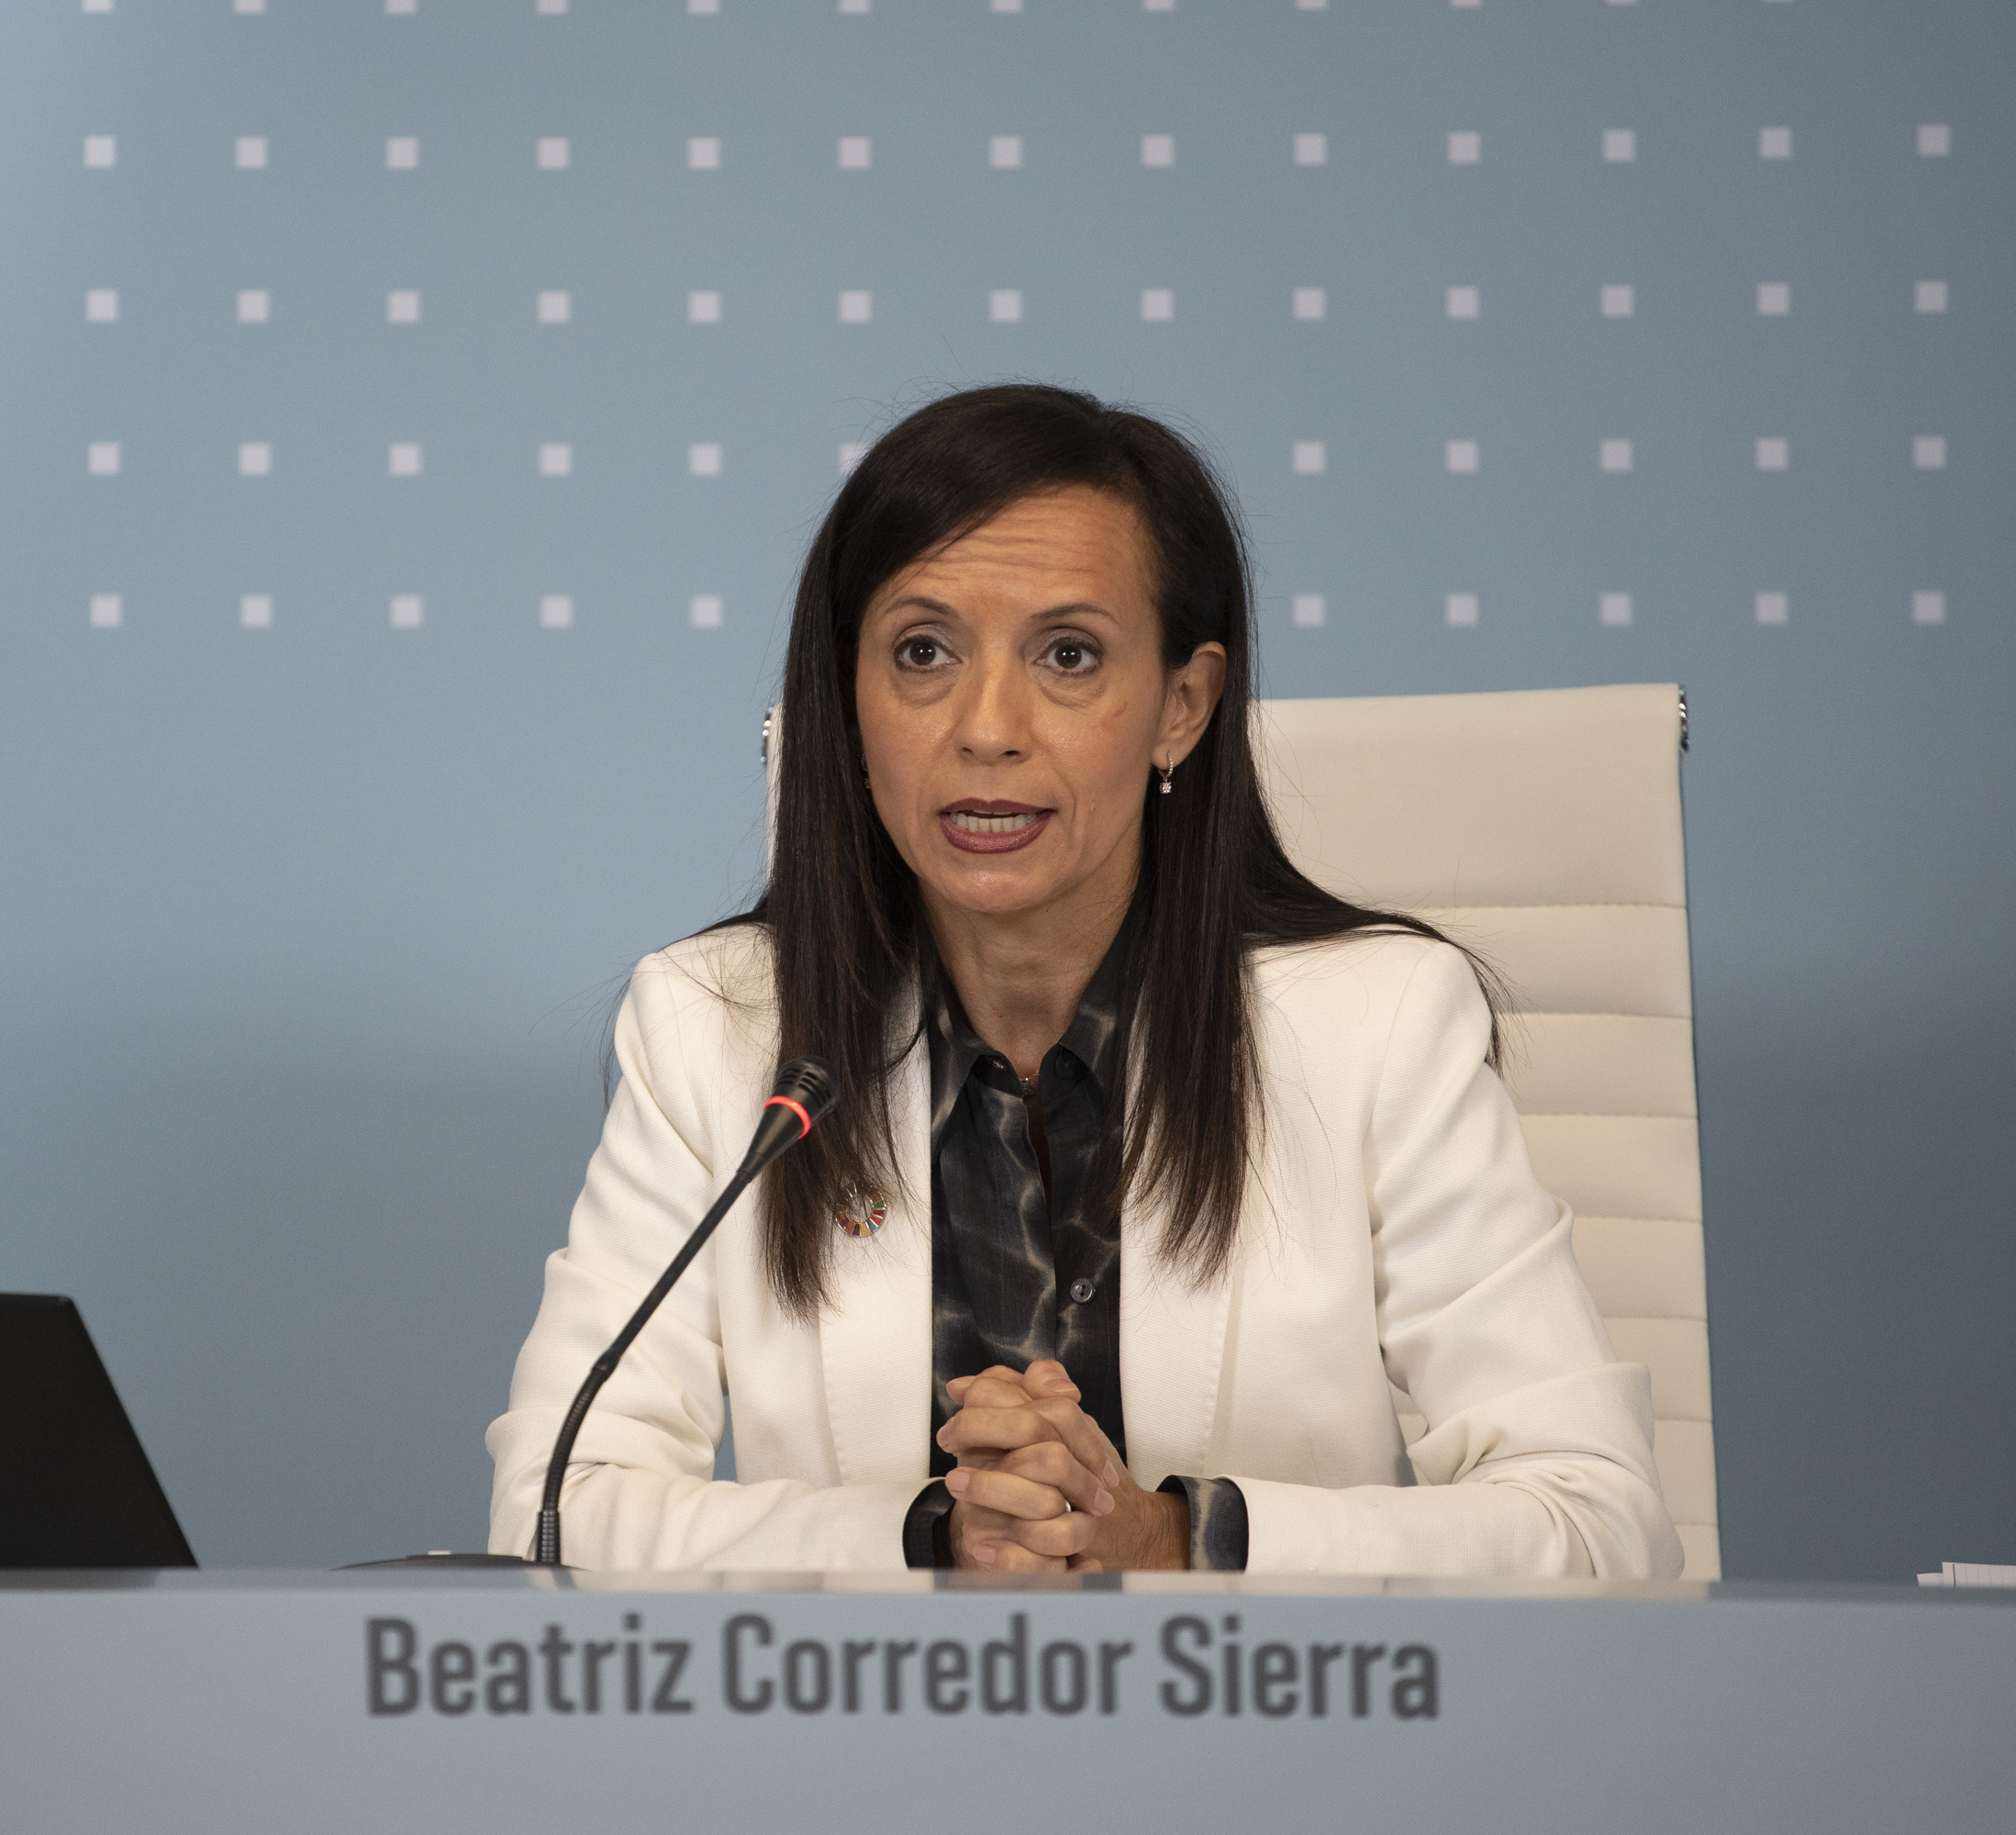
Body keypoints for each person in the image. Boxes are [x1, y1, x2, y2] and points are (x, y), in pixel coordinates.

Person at [486, 384, 1680, 1576]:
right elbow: (556, 1507)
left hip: (1274, 1744)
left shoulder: (1380, 1027)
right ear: (847, 704)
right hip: (866, 1749)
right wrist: (927, 1539)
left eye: (1067, 655)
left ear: (1181, 708)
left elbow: (1601, 1524)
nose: (988, 728)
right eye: (922, 652)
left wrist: (1175, 1537)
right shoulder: (721, 1034)